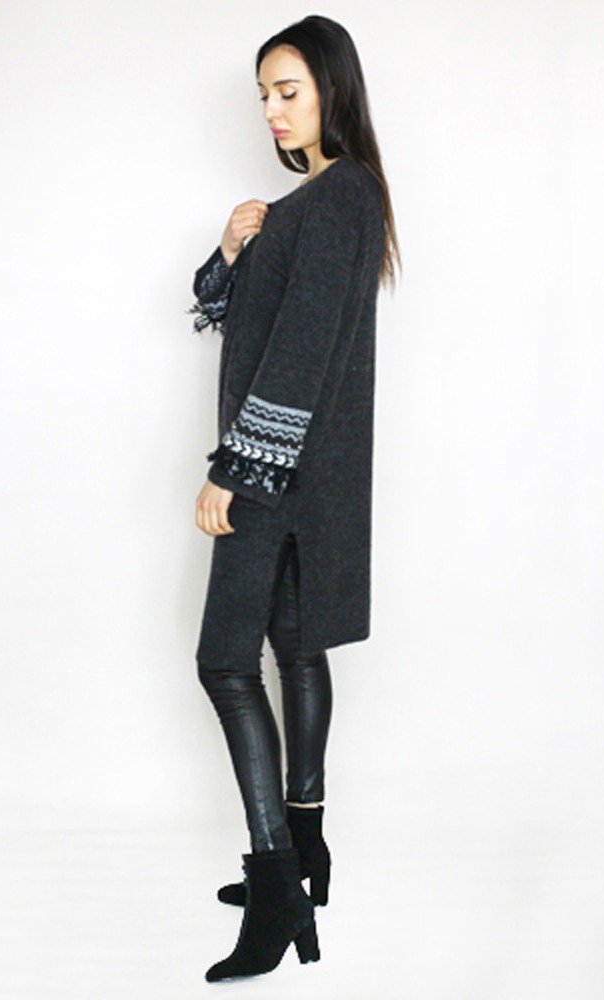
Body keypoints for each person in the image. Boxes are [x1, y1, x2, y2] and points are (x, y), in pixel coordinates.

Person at [187, 14, 400, 984]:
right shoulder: (309, 202)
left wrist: (235, 469)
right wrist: (231, 255)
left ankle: (277, 881)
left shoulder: (342, 193)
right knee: (288, 641)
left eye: (289, 91)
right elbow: (230, 319)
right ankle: (304, 845)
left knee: (226, 662)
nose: (273, 111)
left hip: (275, 470)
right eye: (264, 96)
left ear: (332, 91)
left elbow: (302, 352)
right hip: (294, 470)